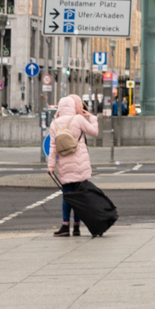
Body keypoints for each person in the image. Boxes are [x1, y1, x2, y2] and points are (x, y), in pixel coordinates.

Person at [47, 94, 99, 237]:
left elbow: (52, 147)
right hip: (80, 163)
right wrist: (92, 117)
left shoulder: (54, 123)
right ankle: (77, 227)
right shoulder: (78, 119)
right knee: (79, 197)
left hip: (64, 164)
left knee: (67, 195)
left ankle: (65, 227)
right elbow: (94, 132)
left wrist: (51, 166)